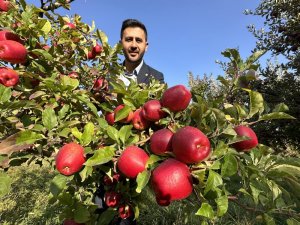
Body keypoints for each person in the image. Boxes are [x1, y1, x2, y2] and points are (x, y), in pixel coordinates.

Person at [118, 18, 164, 85]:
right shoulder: (107, 74)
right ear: (120, 45)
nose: (134, 45)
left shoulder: (157, 77)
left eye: (138, 40)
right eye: (129, 40)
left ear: (146, 46)